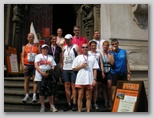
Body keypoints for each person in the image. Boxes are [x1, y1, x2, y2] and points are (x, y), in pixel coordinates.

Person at [72, 43, 99, 112]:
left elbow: (95, 69)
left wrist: (95, 79)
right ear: (81, 49)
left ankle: (88, 111)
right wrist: (81, 66)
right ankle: (79, 111)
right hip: (81, 79)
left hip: (89, 79)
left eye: (86, 47)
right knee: (80, 96)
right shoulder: (78, 57)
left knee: (88, 97)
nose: (85, 49)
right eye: (83, 47)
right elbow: (74, 68)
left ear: (88, 48)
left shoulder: (92, 57)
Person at [34, 44, 58, 112]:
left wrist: (49, 71)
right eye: (43, 49)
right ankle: (42, 106)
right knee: (41, 92)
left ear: (48, 50)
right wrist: (41, 72)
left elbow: (53, 65)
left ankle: (52, 105)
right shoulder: (38, 56)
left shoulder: (50, 57)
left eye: (46, 49)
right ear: (41, 49)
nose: (45, 50)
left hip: (48, 77)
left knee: (50, 92)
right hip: (40, 77)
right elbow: (36, 65)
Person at [62, 34, 80, 111]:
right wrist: (62, 67)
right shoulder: (64, 48)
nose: (67, 41)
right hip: (65, 69)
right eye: (66, 39)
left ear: (71, 39)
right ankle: (68, 103)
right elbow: (62, 58)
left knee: (73, 86)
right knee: (66, 86)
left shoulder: (75, 47)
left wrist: (78, 68)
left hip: (73, 69)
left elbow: (79, 57)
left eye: (68, 39)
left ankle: (74, 103)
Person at [21, 33, 40, 103]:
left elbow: (40, 55)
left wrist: (38, 65)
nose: (31, 38)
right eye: (29, 37)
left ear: (34, 38)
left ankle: (34, 95)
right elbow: (22, 56)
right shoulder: (24, 47)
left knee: (35, 80)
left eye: (32, 37)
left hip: (35, 65)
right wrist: (23, 65)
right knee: (26, 80)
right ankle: (27, 95)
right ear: (27, 38)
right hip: (27, 65)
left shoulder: (37, 46)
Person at [88, 40, 105, 111]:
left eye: (94, 46)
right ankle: (89, 103)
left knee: (96, 88)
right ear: (90, 46)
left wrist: (102, 71)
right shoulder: (88, 53)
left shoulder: (99, 54)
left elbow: (101, 63)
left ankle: (94, 102)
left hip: (97, 72)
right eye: (92, 46)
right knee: (89, 88)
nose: (93, 47)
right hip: (89, 71)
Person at [48, 34, 63, 101]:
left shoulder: (59, 48)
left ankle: (56, 95)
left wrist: (61, 65)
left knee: (56, 80)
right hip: (49, 65)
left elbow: (61, 57)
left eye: (55, 39)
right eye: (53, 39)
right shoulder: (48, 48)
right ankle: (49, 95)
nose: (54, 40)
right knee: (49, 80)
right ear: (50, 40)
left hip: (56, 65)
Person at [101, 41, 114, 108]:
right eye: (104, 45)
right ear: (102, 46)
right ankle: (106, 101)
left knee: (109, 87)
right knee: (103, 87)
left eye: (107, 45)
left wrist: (110, 54)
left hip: (109, 71)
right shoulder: (100, 54)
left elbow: (112, 63)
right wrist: (102, 72)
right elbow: (101, 63)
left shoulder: (109, 54)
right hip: (103, 71)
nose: (105, 47)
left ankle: (110, 101)